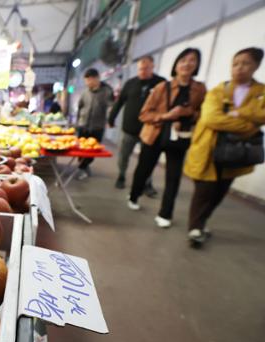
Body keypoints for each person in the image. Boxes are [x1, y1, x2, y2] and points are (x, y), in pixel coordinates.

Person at [183, 47, 265, 247]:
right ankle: (195, 228)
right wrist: (247, 122)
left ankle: (201, 222)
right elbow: (212, 118)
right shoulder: (219, 90)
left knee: (220, 191)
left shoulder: (260, 92)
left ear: (256, 66)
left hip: (236, 153)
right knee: (204, 190)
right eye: (235, 63)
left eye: (245, 63)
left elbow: (261, 116)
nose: (239, 68)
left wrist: (235, 114)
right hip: (208, 150)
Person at [127, 48, 207, 229]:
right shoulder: (163, 87)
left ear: (196, 65)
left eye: (192, 60)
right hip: (155, 134)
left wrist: (187, 114)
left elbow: (204, 114)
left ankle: (165, 213)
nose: (187, 64)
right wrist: (166, 116)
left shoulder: (199, 89)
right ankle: (133, 195)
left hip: (180, 137)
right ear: (176, 65)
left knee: (174, 176)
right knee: (144, 169)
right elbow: (144, 114)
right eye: (183, 60)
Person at [108, 56, 165, 194]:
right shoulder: (130, 83)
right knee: (124, 155)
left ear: (153, 67)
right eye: (140, 68)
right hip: (130, 129)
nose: (143, 71)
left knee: (148, 160)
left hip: (150, 130)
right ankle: (121, 176)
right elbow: (120, 102)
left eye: (146, 68)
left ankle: (146, 183)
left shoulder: (161, 84)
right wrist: (111, 118)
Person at [76, 68, 114, 179]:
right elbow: (80, 107)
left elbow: (111, 107)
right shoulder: (85, 93)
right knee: (80, 150)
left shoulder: (106, 92)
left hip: (97, 127)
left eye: (90, 80)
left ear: (96, 79)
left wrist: (110, 119)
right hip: (83, 126)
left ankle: (84, 166)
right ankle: (82, 168)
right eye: (86, 81)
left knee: (92, 152)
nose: (88, 83)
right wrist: (77, 123)